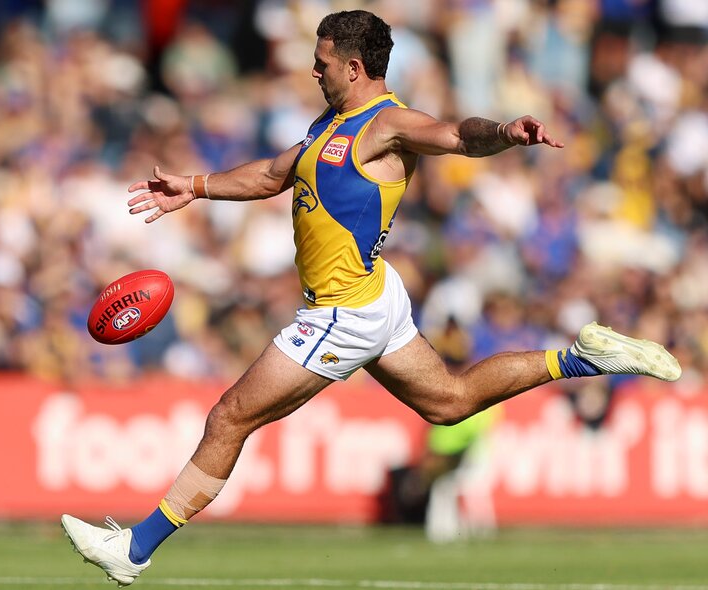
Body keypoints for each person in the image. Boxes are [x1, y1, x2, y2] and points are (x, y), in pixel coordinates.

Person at [60, 10, 681, 586]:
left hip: (343, 311)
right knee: (451, 402)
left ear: (353, 68)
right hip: (376, 292)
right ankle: (583, 359)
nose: (313, 70)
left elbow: (455, 136)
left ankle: (133, 552)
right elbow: (274, 175)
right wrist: (193, 186)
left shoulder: (386, 123)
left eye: (322, 61)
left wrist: (504, 131)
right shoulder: (323, 126)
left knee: (229, 417)